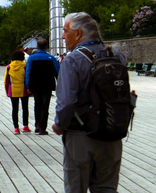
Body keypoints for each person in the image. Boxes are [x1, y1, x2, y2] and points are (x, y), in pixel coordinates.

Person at [52, 12, 126, 192]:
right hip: (112, 133)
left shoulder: (72, 60)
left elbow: (67, 102)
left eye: (65, 31)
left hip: (80, 136)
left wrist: (59, 125)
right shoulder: (117, 56)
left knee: (75, 188)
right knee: (107, 188)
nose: (62, 36)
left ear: (77, 34)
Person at [25, 38, 60, 135]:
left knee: (37, 104)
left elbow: (28, 72)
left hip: (35, 85)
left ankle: (37, 125)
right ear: (46, 47)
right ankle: (43, 128)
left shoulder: (31, 58)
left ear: (37, 46)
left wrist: (28, 86)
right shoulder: (51, 58)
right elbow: (58, 72)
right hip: (47, 85)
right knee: (45, 106)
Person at [4, 50, 31, 135]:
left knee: (15, 109)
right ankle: (25, 126)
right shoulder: (25, 66)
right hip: (23, 90)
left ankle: (16, 128)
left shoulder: (9, 67)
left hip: (13, 90)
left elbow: (6, 80)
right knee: (25, 108)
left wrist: (7, 91)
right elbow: (27, 78)